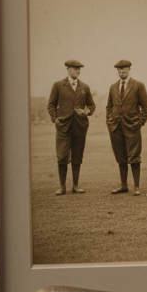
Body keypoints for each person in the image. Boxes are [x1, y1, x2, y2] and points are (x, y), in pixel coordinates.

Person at [47, 59, 95, 195]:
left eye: (79, 69)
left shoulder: (84, 87)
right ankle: (62, 187)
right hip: (63, 126)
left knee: (77, 156)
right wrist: (55, 119)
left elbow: (91, 105)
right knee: (62, 156)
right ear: (68, 69)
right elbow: (51, 104)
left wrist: (87, 111)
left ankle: (75, 186)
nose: (78, 71)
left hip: (80, 126)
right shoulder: (58, 85)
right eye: (75, 68)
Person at [106, 60, 147, 196]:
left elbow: (146, 107)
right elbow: (109, 107)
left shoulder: (138, 85)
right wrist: (110, 122)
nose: (121, 72)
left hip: (132, 127)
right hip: (116, 127)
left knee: (134, 157)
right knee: (121, 157)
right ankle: (123, 186)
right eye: (119, 69)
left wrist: (139, 122)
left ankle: (136, 187)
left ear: (129, 69)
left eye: (124, 69)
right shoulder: (113, 87)